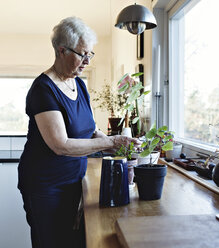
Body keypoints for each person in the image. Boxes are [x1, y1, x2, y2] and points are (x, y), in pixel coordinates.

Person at [18, 16, 140, 248]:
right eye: (82, 54)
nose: (87, 61)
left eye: (90, 55)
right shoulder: (43, 89)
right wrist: (111, 141)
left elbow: (91, 130)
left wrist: (117, 145)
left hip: (75, 180)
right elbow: (60, 145)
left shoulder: (80, 85)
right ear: (61, 51)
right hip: (46, 186)